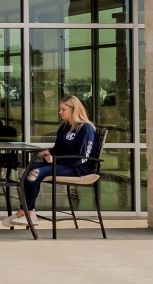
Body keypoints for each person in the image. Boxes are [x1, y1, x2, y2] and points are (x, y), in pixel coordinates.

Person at [10, 94, 99, 229]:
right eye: (60, 109)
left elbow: (83, 157)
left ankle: (30, 213)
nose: (60, 112)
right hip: (62, 164)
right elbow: (58, 149)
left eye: (63, 109)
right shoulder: (64, 127)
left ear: (74, 109)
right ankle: (24, 210)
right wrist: (49, 154)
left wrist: (55, 160)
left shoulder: (85, 128)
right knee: (26, 170)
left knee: (35, 172)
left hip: (78, 169)